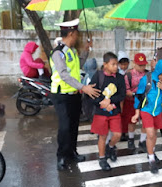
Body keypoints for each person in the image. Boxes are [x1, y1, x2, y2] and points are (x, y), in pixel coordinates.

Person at [50, 18, 101, 171]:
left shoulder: (71, 51)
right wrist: (83, 87)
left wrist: (86, 49)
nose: (78, 36)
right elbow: (64, 75)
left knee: (73, 126)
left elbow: (78, 63)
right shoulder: (58, 53)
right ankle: (61, 156)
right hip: (62, 95)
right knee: (65, 127)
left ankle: (72, 152)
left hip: (74, 94)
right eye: (76, 33)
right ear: (71, 33)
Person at [132, 59, 162, 174]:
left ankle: (151, 151)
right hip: (147, 110)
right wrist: (136, 112)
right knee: (150, 133)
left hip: (158, 111)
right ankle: (151, 159)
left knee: (154, 134)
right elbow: (138, 96)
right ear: (157, 70)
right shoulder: (146, 79)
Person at [89, 52, 126, 171]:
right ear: (105, 65)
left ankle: (110, 147)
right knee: (102, 136)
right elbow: (92, 93)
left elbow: (122, 95)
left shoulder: (120, 77)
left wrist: (110, 102)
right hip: (101, 112)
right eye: (113, 64)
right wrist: (102, 103)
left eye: (117, 64)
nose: (116, 67)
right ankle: (102, 157)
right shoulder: (98, 76)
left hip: (114, 111)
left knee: (117, 134)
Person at [122, 53, 148, 151]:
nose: (142, 67)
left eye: (143, 65)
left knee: (146, 121)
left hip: (145, 101)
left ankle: (142, 141)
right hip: (132, 100)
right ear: (134, 64)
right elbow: (127, 90)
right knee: (132, 121)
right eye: (139, 65)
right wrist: (135, 94)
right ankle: (131, 139)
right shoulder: (128, 75)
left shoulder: (147, 74)